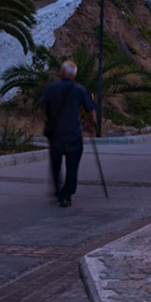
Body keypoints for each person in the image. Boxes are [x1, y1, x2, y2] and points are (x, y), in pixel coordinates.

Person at [40, 59, 98, 207]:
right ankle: (66, 195)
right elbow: (90, 111)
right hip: (73, 133)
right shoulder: (80, 90)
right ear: (74, 75)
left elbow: (43, 110)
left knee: (56, 164)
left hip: (55, 134)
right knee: (72, 166)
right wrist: (92, 125)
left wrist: (50, 120)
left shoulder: (50, 89)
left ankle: (58, 189)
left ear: (61, 73)